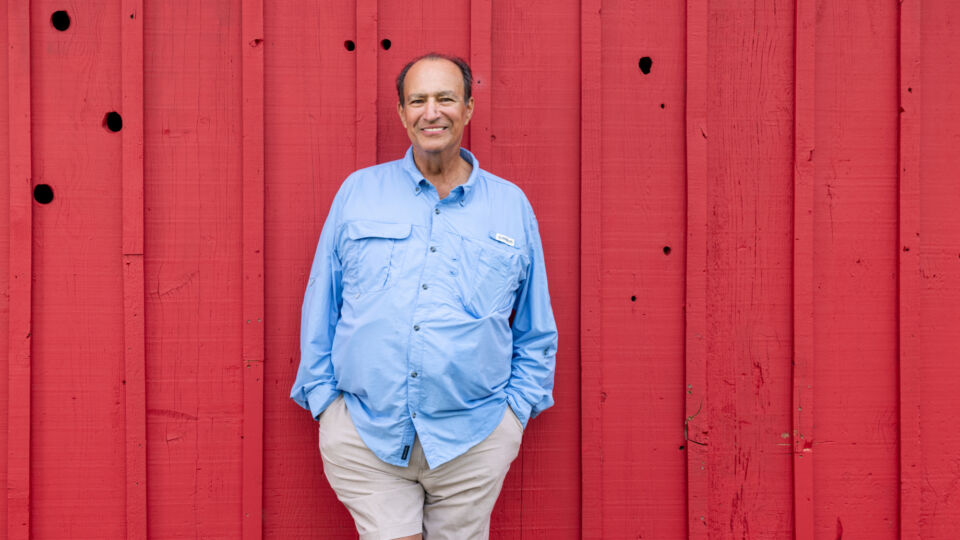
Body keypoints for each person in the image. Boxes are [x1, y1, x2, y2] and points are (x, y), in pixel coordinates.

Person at [290, 52, 558, 540]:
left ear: (468, 108)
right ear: (401, 112)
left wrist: (514, 415)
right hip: (366, 434)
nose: (431, 112)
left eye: (445, 99)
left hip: (473, 439)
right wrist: (326, 404)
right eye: (418, 100)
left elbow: (535, 327)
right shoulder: (359, 193)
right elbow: (321, 304)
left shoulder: (510, 206)